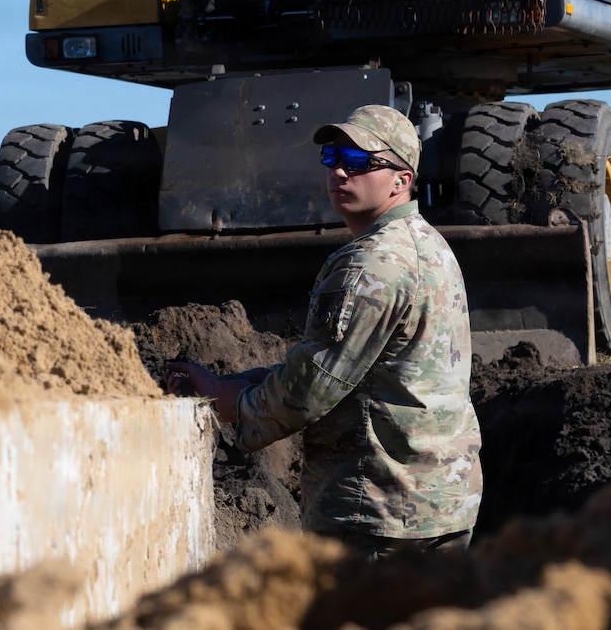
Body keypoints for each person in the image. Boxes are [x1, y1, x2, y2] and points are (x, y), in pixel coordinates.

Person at [164, 104, 482, 557]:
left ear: (402, 179)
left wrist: (234, 403)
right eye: (332, 157)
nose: (338, 171)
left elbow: (315, 382)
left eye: (358, 162)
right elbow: (364, 367)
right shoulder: (426, 243)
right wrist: (242, 381)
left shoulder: (373, 262)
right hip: (437, 505)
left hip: (378, 515)